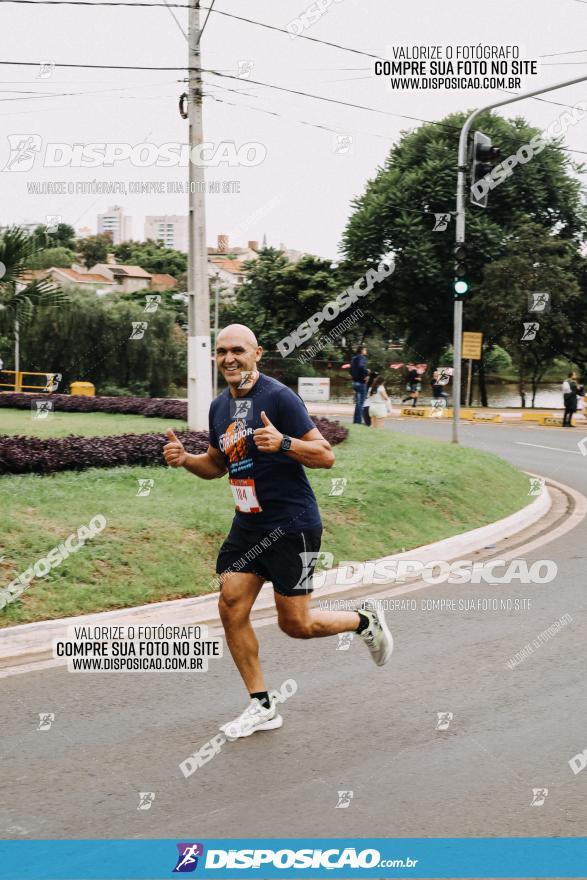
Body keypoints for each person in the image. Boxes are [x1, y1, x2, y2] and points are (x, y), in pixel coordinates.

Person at [163, 325, 393, 738]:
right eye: (221, 352)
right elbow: (216, 465)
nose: (229, 359)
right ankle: (262, 705)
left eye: (238, 350)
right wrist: (186, 459)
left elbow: (325, 456)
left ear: (257, 354)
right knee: (230, 605)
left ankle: (362, 621)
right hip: (248, 524)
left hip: (293, 525)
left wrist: (284, 443)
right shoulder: (219, 407)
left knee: (296, 625)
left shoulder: (278, 397)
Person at [350, 344, 369, 424]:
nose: (366, 351)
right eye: (365, 349)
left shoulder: (354, 358)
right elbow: (361, 367)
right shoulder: (362, 357)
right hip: (361, 383)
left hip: (354, 383)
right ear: (361, 350)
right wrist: (366, 373)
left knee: (358, 403)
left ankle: (356, 421)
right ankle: (358, 422)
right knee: (361, 403)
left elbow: (350, 370)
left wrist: (354, 377)